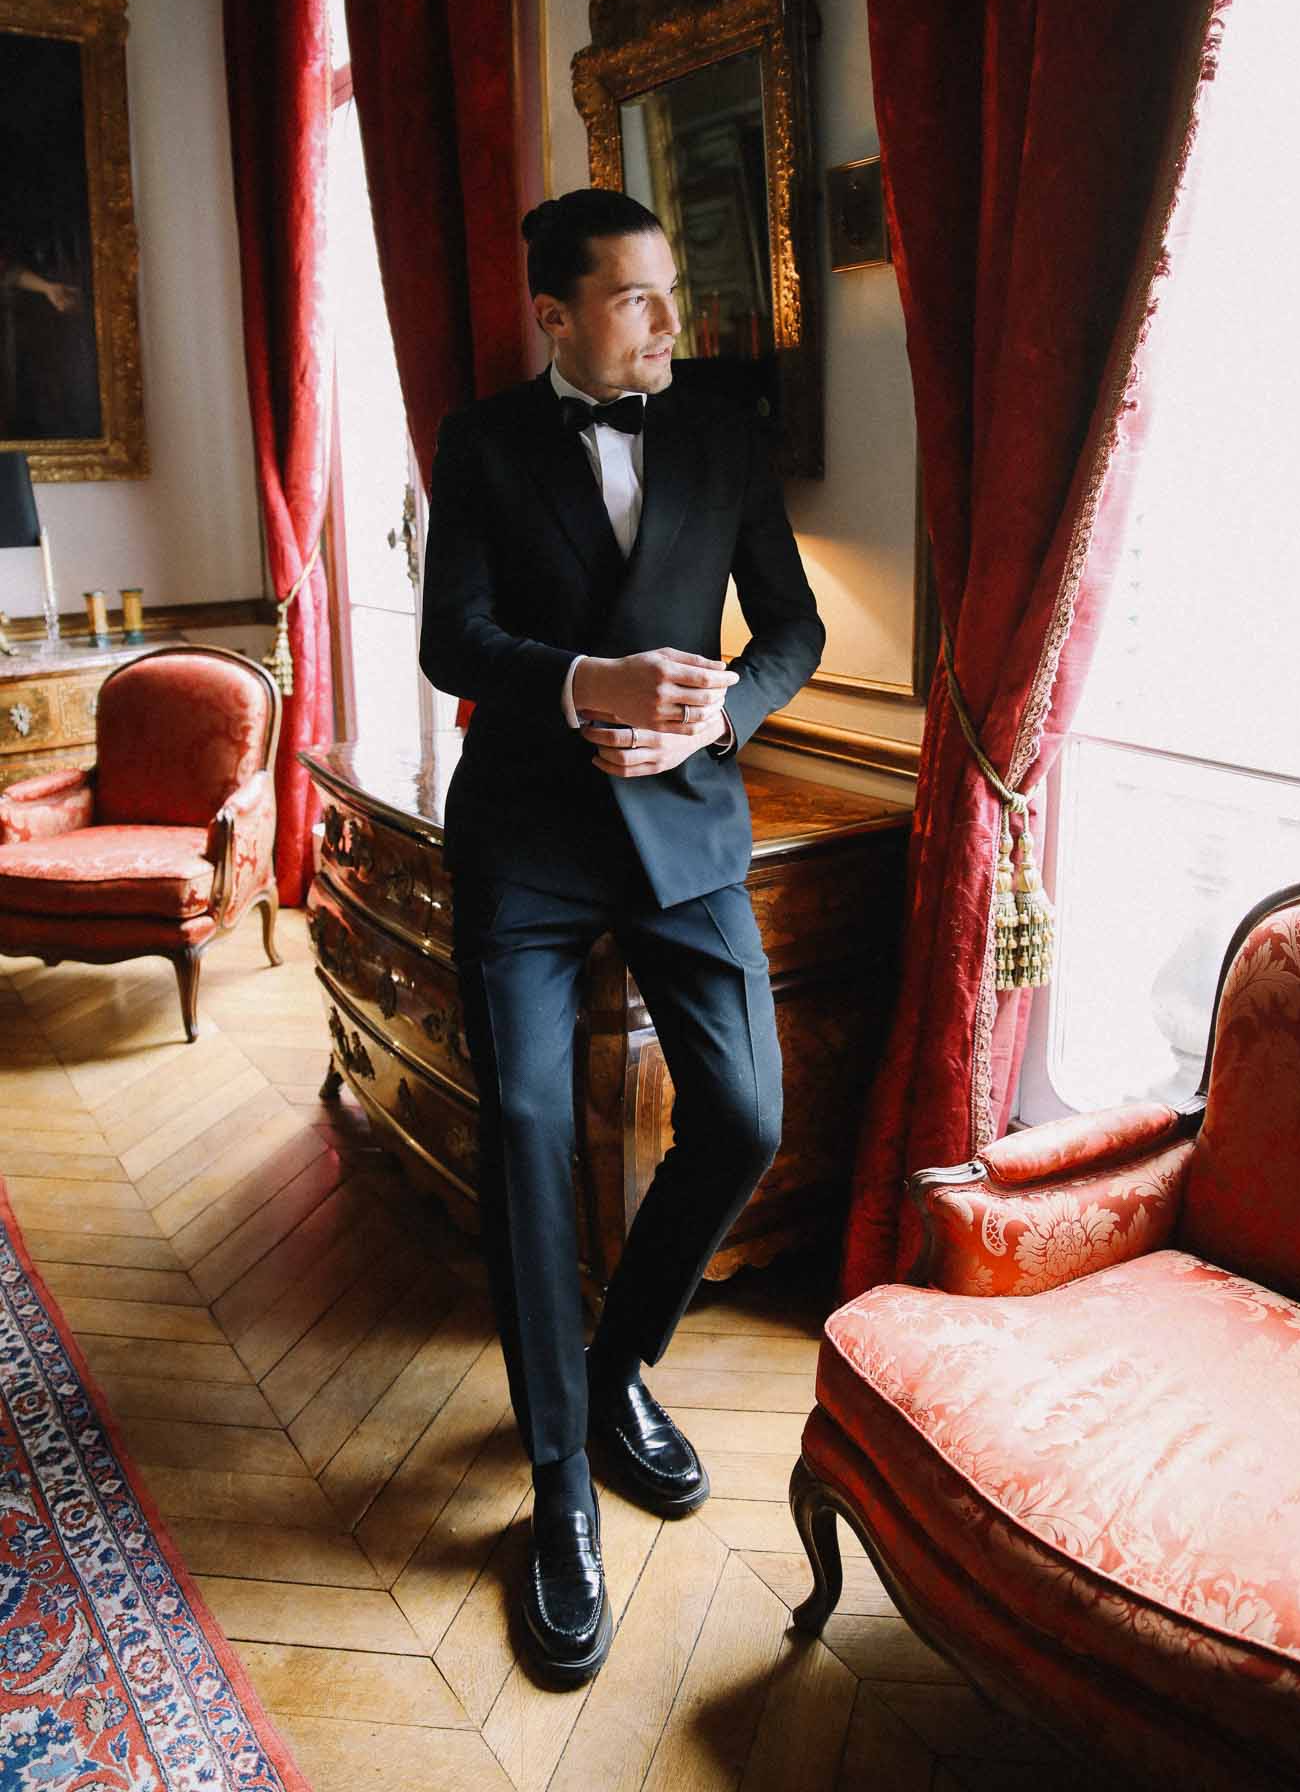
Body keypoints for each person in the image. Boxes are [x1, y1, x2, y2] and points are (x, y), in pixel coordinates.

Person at [419, 187, 824, 1683]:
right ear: (556, 311)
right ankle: (549, 1490)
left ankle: (614, 1369)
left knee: (741, 1118)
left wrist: (731, 703)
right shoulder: (481, 440)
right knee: (525, 1122)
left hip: (688, 832)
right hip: (526, 840)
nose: (669, 318)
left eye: (669, 292)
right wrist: (591, 684)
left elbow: (787, 627)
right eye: (638, 296)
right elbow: (450, 639)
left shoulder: (720, 429)